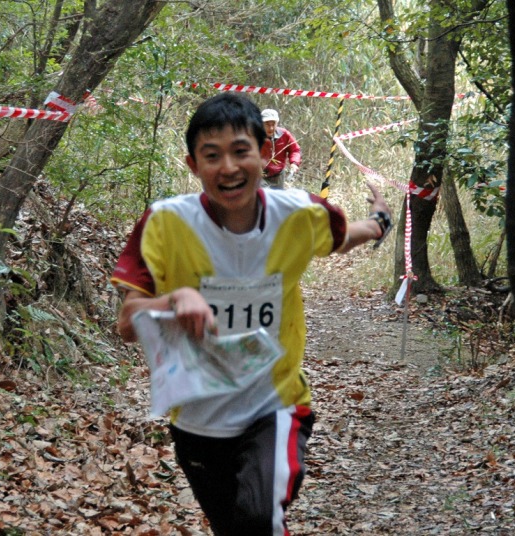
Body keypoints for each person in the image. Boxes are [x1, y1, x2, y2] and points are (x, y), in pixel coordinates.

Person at [110, 92, 392, 535]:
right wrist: (174, 300)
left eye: (240, 151)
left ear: (264, 154)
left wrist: (379, 222)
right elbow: (128, 323)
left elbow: (342, 237)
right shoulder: (164, 224)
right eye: (212, 156)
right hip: (197, 417)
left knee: (259, 518)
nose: (228, 168)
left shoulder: (299, 214)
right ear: (192, 165)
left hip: (275, 405)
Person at [260, 108, 301, 189]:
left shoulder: (284, 134)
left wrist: (294, 163)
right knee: (263, 195)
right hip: (259, 175)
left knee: (277, 196)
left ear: (277, 123)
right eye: (267, 125)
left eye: (273, 124)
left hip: (278, 175)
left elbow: (295, 150)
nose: (271, 128)